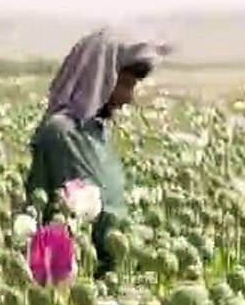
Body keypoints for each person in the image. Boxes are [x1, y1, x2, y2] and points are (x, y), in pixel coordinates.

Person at [24, 28, 168, 275]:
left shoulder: (97, 132)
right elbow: (77, 215)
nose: (128, 98)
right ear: (97, 78)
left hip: (113, 270)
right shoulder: (62, 133)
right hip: (72, 277)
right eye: (124, 84)